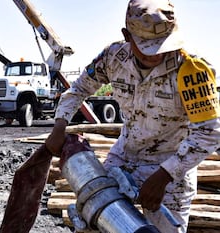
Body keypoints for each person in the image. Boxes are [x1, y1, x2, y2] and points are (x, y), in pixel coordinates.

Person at [45, 0, 220, 232]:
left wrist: (164, 176)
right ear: (127, 35)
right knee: (99, 220)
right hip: (123, 160)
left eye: (163, 45)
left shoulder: (191, 70)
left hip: (171, 168)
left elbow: (209, 132)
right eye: (147, 46)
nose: (156, 54)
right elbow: (78, 89)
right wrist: (59, 126)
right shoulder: (113, 59)